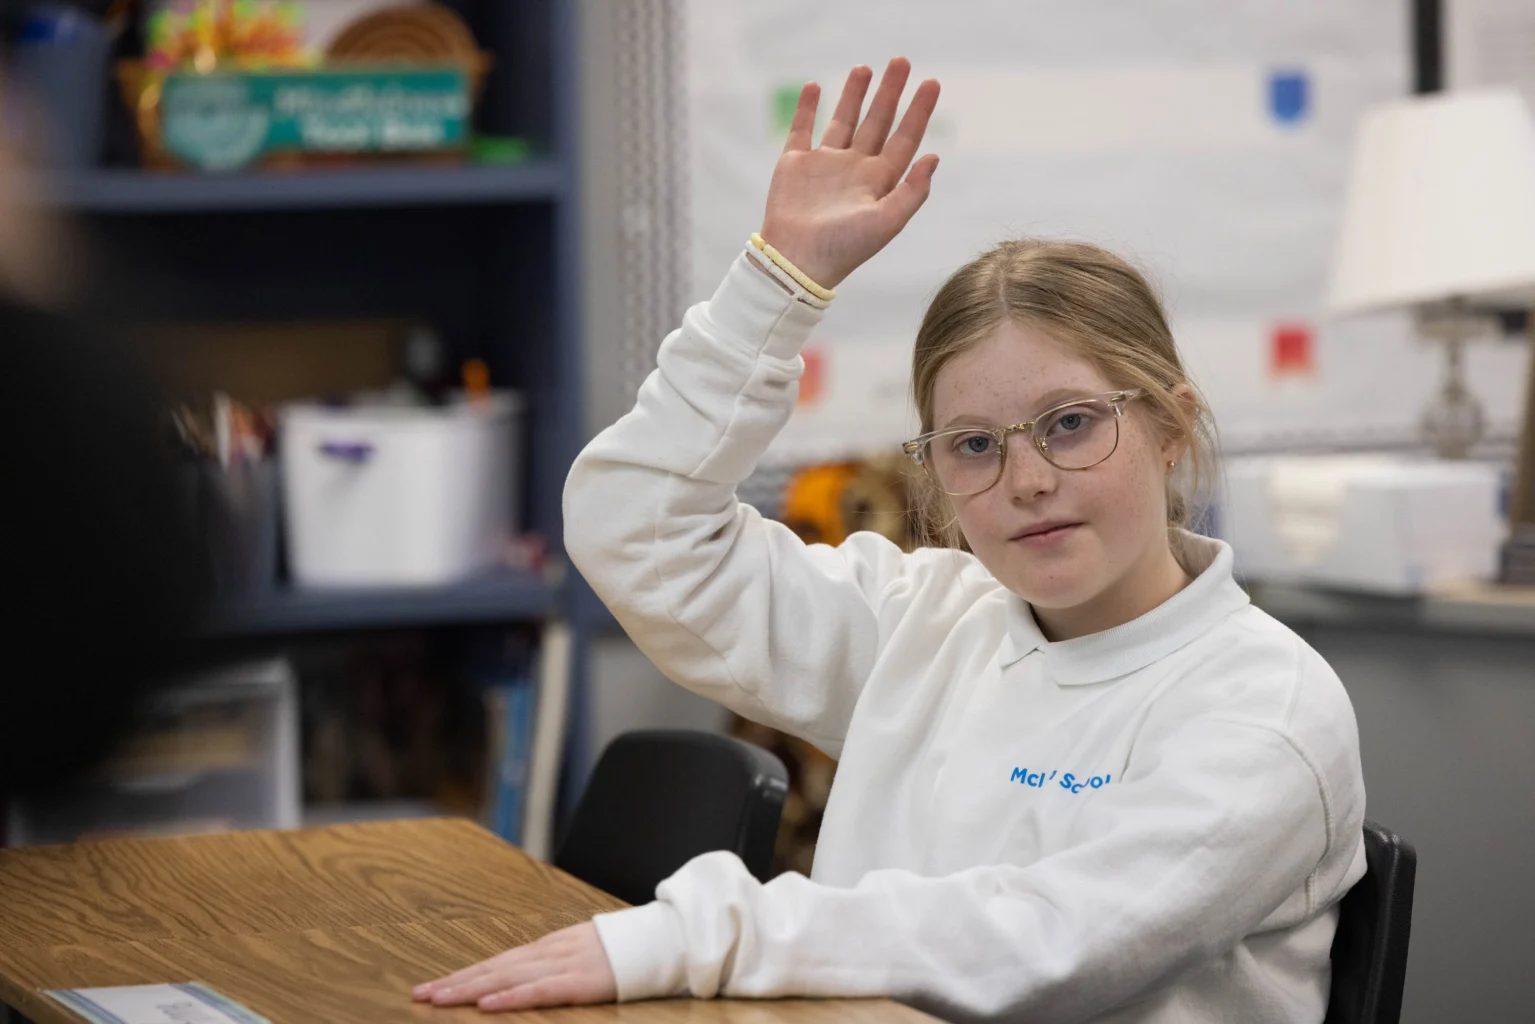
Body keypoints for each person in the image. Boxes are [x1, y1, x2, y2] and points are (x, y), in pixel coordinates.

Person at [415, 58, 1366, 1023]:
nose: (1027, 477)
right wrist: (773, 285)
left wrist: (701, 931)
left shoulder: (1265, 709)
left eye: (1072, 421)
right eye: (974, 445)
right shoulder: (922, 622)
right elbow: (634, 532)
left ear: (1170, 427)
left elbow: (1047, 943)